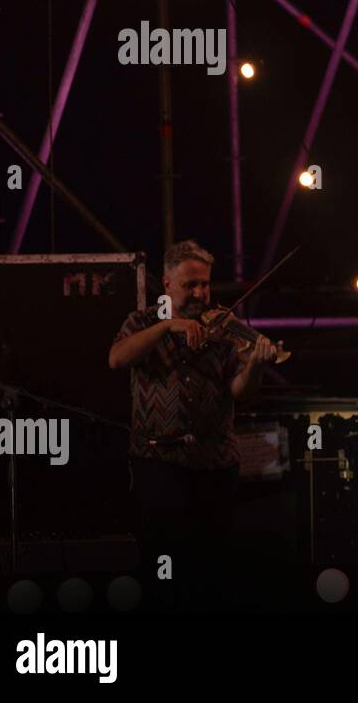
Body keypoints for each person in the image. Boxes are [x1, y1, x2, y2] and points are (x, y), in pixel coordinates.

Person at [108, 239, 277, 601]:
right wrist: (168, 328)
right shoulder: (142, 322)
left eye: (205, 283)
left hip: (215, 463)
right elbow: (117, 359)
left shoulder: (225, 327)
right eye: (191, 285)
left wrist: (255, 366)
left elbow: (239, 390)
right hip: (159, 462)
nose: (201, 292)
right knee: (164, 562)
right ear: (167, 284)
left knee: (212, 566)